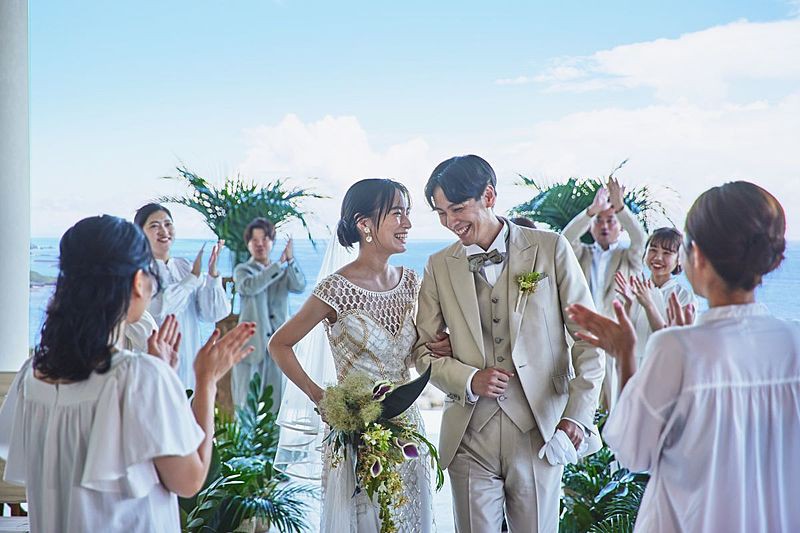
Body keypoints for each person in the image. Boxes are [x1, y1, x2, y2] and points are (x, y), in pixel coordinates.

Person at [567, 181, 800, 532]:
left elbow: (632, 452)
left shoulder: (677, 347)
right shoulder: (793, 343)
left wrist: (625, 354)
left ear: (696, 256)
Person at [0, 215, 255, 532]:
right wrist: (206, 382)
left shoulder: (33, 374)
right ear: (137, 281)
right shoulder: (139, 377)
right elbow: (189, 480)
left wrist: (160, 377)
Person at [413, 155, 604, 532]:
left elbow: (590, 338)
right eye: (441, 213)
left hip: (538, 429)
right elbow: (422, 352)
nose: (450, 222)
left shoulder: (550, 248)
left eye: (457, 209)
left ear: (488, 196)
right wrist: (469, 378)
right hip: (469, 434)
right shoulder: (438, 265)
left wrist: (577, 416)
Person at [269, 178, 452, 532]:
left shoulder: (411, 282)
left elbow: (417, 349)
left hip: (408, 431)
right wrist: (319, 396)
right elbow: (279, 344)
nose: (407, 223)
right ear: (364, 224)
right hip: (355, 434)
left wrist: (439, 345)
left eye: (407, 213)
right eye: (397, 213)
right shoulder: (335, 289)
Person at [562, 178, 646, 407]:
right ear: (591, 226)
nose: (604, 226)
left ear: (620, 226)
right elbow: (565, 240)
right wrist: (592, 211)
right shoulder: (580, 254)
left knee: (615, 402)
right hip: (580, 338)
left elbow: (640, 238)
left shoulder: (629, 257)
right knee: (580, 401)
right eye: (599, 220)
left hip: (614, 338)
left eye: (611, 220)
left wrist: (620, 207)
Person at [134, 203, 232, 389]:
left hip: (190, 364)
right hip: (155, 366)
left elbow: (213, 314)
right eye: (154, 226)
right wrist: (192, 279)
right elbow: (158, 312)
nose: (164, 231)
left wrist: (212, 276)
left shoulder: (184, 266)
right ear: (140, 233)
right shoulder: (140, 272)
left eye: (168, 224)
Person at [233, 217, 305, 412]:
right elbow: (249, 287)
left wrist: (290, 260)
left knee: (275, 406)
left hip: (277, 348)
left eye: (264, 239)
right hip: (250, 348)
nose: (260, 244)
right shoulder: (242, 270)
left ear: (272, 242)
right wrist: (277, 265)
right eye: (254, 240)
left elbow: (299, 285)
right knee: (245, 405)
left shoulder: (281, 271)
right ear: (248, 244)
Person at [614, 227, 697, 364]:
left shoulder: (684, 297)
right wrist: (628, 304)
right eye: (653, 250)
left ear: (679, 259)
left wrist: (649, 305)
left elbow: (672, 343)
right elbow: (620, 337)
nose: (658, 258)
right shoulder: (633, 289)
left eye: (667, 253)